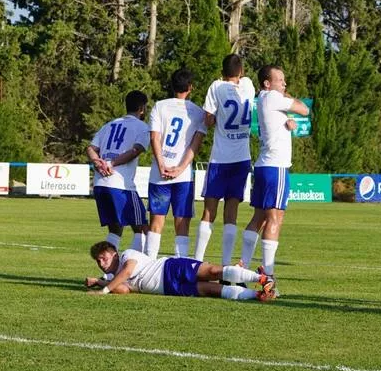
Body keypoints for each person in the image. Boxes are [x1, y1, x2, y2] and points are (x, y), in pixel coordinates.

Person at [239, 65, 310, 278]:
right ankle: (268, 273)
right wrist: (286, 101)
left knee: (258, 217)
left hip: (263, 166)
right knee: (275, 217)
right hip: (275, 167)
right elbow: (304, 109)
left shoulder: (265, 99)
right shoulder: (272, 97)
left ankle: (243, 266)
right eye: (280, 80)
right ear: (267, 83)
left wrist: (286, 123)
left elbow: (282, 120)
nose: (284, 84)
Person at [195, 54, 255, 265]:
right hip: (242, 158)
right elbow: (243, 81)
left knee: (209, 211)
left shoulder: (216, 86)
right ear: (241, 71)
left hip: (221, 158)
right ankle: (226, 263)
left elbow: (208, 120)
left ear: (222, 71)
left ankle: (197, 261)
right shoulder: (248, 85)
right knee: (232, 213)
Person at [146, 69, 208, 259]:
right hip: (183, 177)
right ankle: (180, 265)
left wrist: (161, 164)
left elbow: (154, 138)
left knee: (156, 222)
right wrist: (180, 168)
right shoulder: (198, 112)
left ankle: (149, 263)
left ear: (172, 85)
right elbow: (195, 145)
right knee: (182, 224)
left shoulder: (159, 106)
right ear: (190, 88)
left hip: (159, 174)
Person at [86, 241, 277, 302]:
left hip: (170, 268)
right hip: (169, 288)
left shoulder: (128, 254)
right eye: (98, 261)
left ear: (115, 254)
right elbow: (123, 290)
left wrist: (103, 289)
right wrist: (100, 282)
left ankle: (262, 278)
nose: (101, 263)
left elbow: (127, 272)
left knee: (212, 271)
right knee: (211, 290)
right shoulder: (113, 279)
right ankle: (259, 294)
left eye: (104, 257)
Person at [85, 91, 151, 254]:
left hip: (100, 183)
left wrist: (97, 162)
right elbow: (135, 151)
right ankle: (137, 271)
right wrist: (111, 163)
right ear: (142, 108)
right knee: (142, 228)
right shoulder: (143, 127)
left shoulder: (109, 125)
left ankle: (109, 274)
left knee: (115, 230)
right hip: (121, 184)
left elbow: (90, 148)